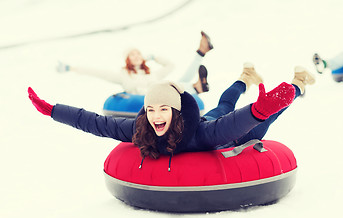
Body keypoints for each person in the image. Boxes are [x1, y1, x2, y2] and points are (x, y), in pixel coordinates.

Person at [28, 63, 315, 171]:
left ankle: (297, 83)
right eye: (151, 110)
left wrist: (257, 111)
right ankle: (246, 76)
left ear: (175, 112)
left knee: (256, 112)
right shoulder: (141, 130)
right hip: (210, 123)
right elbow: (96, 122)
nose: (156, 116)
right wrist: (53, 110)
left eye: (163, 109)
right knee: (224, 105)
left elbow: (230, 126)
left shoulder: (200, 134)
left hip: (231, 134)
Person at [56, 31, 213, 95]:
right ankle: (196, 86)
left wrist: (154, 57)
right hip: (154, 97)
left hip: (166, 89)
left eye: (138, 53)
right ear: (127, 59)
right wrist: (71, 68)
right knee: (181, 83)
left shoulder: (151, 72)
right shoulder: (123, 75)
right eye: (132, 54)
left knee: (182, 80)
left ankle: (201, 52)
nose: (136, 55)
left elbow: (171, 66)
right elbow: (98, 72)